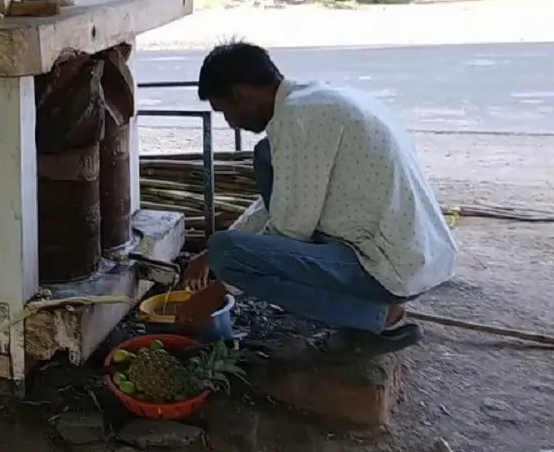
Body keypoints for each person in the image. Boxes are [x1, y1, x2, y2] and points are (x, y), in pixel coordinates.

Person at [182, 41, 459, 358]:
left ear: (242, 94)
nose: (231, 123)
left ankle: (380, 317)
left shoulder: (298, 121)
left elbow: (290, 228)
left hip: (389, 268)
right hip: (413, 255)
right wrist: (208, 255)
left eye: (226, 111)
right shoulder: (312, 101)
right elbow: (277, 203)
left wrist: (219, 287)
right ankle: (367, 309)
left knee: (228, 252)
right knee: (262, 161)